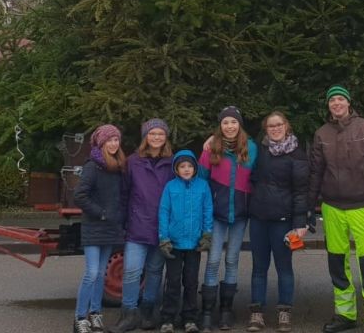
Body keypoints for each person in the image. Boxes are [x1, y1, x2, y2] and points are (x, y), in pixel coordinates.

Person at [309, 85, 364, 333]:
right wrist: (309, 205)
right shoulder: (321, 133)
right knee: (337, 264)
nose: (336, 103)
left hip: (363, 206)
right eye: (332, 100)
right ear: (328, 105)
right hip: (332, 207)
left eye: (340, 99)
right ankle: (345, 315)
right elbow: (316, 172)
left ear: (348, 102)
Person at [245, 111, 309, 333]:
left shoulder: (297, 154)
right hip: (259, 219)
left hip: (284, 221)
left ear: (286, 126)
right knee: (258, 268)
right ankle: (257, 313)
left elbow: (301, 192)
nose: (275, 128)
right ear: (266, 129)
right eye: (271, 126)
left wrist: (301, 222)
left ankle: (285, 312)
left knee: (284, 268)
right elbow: (233, 145)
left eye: (279, 124)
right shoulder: (257, 150)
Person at [110, 118, 175, 333]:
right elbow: (124, 193)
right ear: (145, 136)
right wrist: (122, 222)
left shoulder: (172, 163)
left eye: (161, 134)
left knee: (155, 271)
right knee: (131, 271)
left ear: (166, 137)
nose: (156, 137)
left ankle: (147, 312)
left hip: (162, 226)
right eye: (152, 133)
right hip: (137, 225)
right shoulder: (133, 162)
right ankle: (128, 314)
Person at [199, 106, 258, 332]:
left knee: (232, 260)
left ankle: (226, 310)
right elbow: (202, 182)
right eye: (225, 123)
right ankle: (207, 311)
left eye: (234, 122)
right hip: (216, 213)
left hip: (240, 214)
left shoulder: (251, 148)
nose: (230, 126)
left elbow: (258, 177)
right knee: (213, 261)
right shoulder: (210, 148)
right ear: (220, 126)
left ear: (239, 124)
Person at [74, 124, 128, 333]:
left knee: (101, 275)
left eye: (116, 140)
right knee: (92, 273)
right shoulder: (92, 167)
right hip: (94, 227)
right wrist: (101, 213)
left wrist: (118, 216)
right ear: (101, 143)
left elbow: (120, 196)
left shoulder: (117, 166)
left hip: (111, 228)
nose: (114, 144)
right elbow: (80, 195)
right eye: (109, 141)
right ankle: (80, 318)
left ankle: (96, 314)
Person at [157, 150, 214, 333]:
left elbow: (207, 211)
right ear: (176, 168)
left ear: (195, 168)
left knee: (191, 282)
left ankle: (190, 318)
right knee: (172, 282)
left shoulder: (203, 186)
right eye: (182, 166)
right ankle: (168, 318)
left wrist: (207, 234)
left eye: (190, 166)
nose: (187, 169)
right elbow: (164, 213)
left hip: (194, 244)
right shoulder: (170, 187)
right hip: (173, 243)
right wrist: (163, 238)